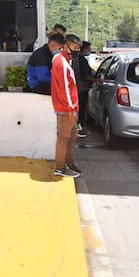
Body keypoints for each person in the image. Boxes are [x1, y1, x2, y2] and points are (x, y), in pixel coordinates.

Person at [51, 34, 82, 178]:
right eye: (74, 48)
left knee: (71, 135)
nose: (76, 51)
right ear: (66, 46)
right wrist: (71, 108)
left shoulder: (65, 61)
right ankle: (60, 167)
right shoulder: (62, 63)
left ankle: (68, 163)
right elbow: (64, 88)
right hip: (66, 108)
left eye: (78, 48)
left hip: (68, 107)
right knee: (64, 137)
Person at [74, 41, 96, 137]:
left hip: (75, 88)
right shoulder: (82, 60)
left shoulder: (74, 59)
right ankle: (81, 128)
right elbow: (85, 75)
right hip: (82, 88)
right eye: (89, 49)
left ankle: (77, 127)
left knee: (78, 109)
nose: (90, 51)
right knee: (82, 109)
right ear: (84, 49)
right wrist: (96, 80)